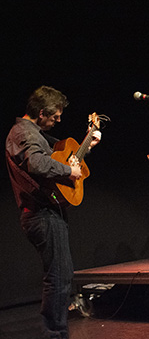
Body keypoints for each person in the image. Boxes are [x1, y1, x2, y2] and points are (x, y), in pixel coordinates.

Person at [5, 86, 101, 339]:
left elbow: (64, 158)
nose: (58, 120)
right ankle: (55, 334)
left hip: (50, 211)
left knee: (61, 276)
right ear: (40, 112)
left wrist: (87, 145)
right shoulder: (23, 132)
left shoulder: (36, 134)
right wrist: (69, 172)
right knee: (58, 278)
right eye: (55, 116)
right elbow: (36, 163)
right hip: (41, 214)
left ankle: (56, 333)